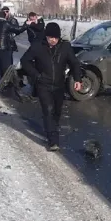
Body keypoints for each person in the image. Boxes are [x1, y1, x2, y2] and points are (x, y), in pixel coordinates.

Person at [20, 22, 82, 151]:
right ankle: (53, 140)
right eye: (50, 37)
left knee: (57, 112)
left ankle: (53, 127)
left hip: (59, 85)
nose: (53, 40)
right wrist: (36, 75)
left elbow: (75, 63)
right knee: (48, 110)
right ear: (46, 36)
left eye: (55, 37)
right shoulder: (38, 46)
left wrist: (77, 79)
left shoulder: (65, 47)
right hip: (43, 85)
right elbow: (25, 61)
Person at [0, 11, 29, 83]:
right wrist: (26, 24)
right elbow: (18, 29)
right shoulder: (5, 23)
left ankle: (1, 81)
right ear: (5, 16)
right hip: (4, 48)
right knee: (7, 67)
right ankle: (7, 83)